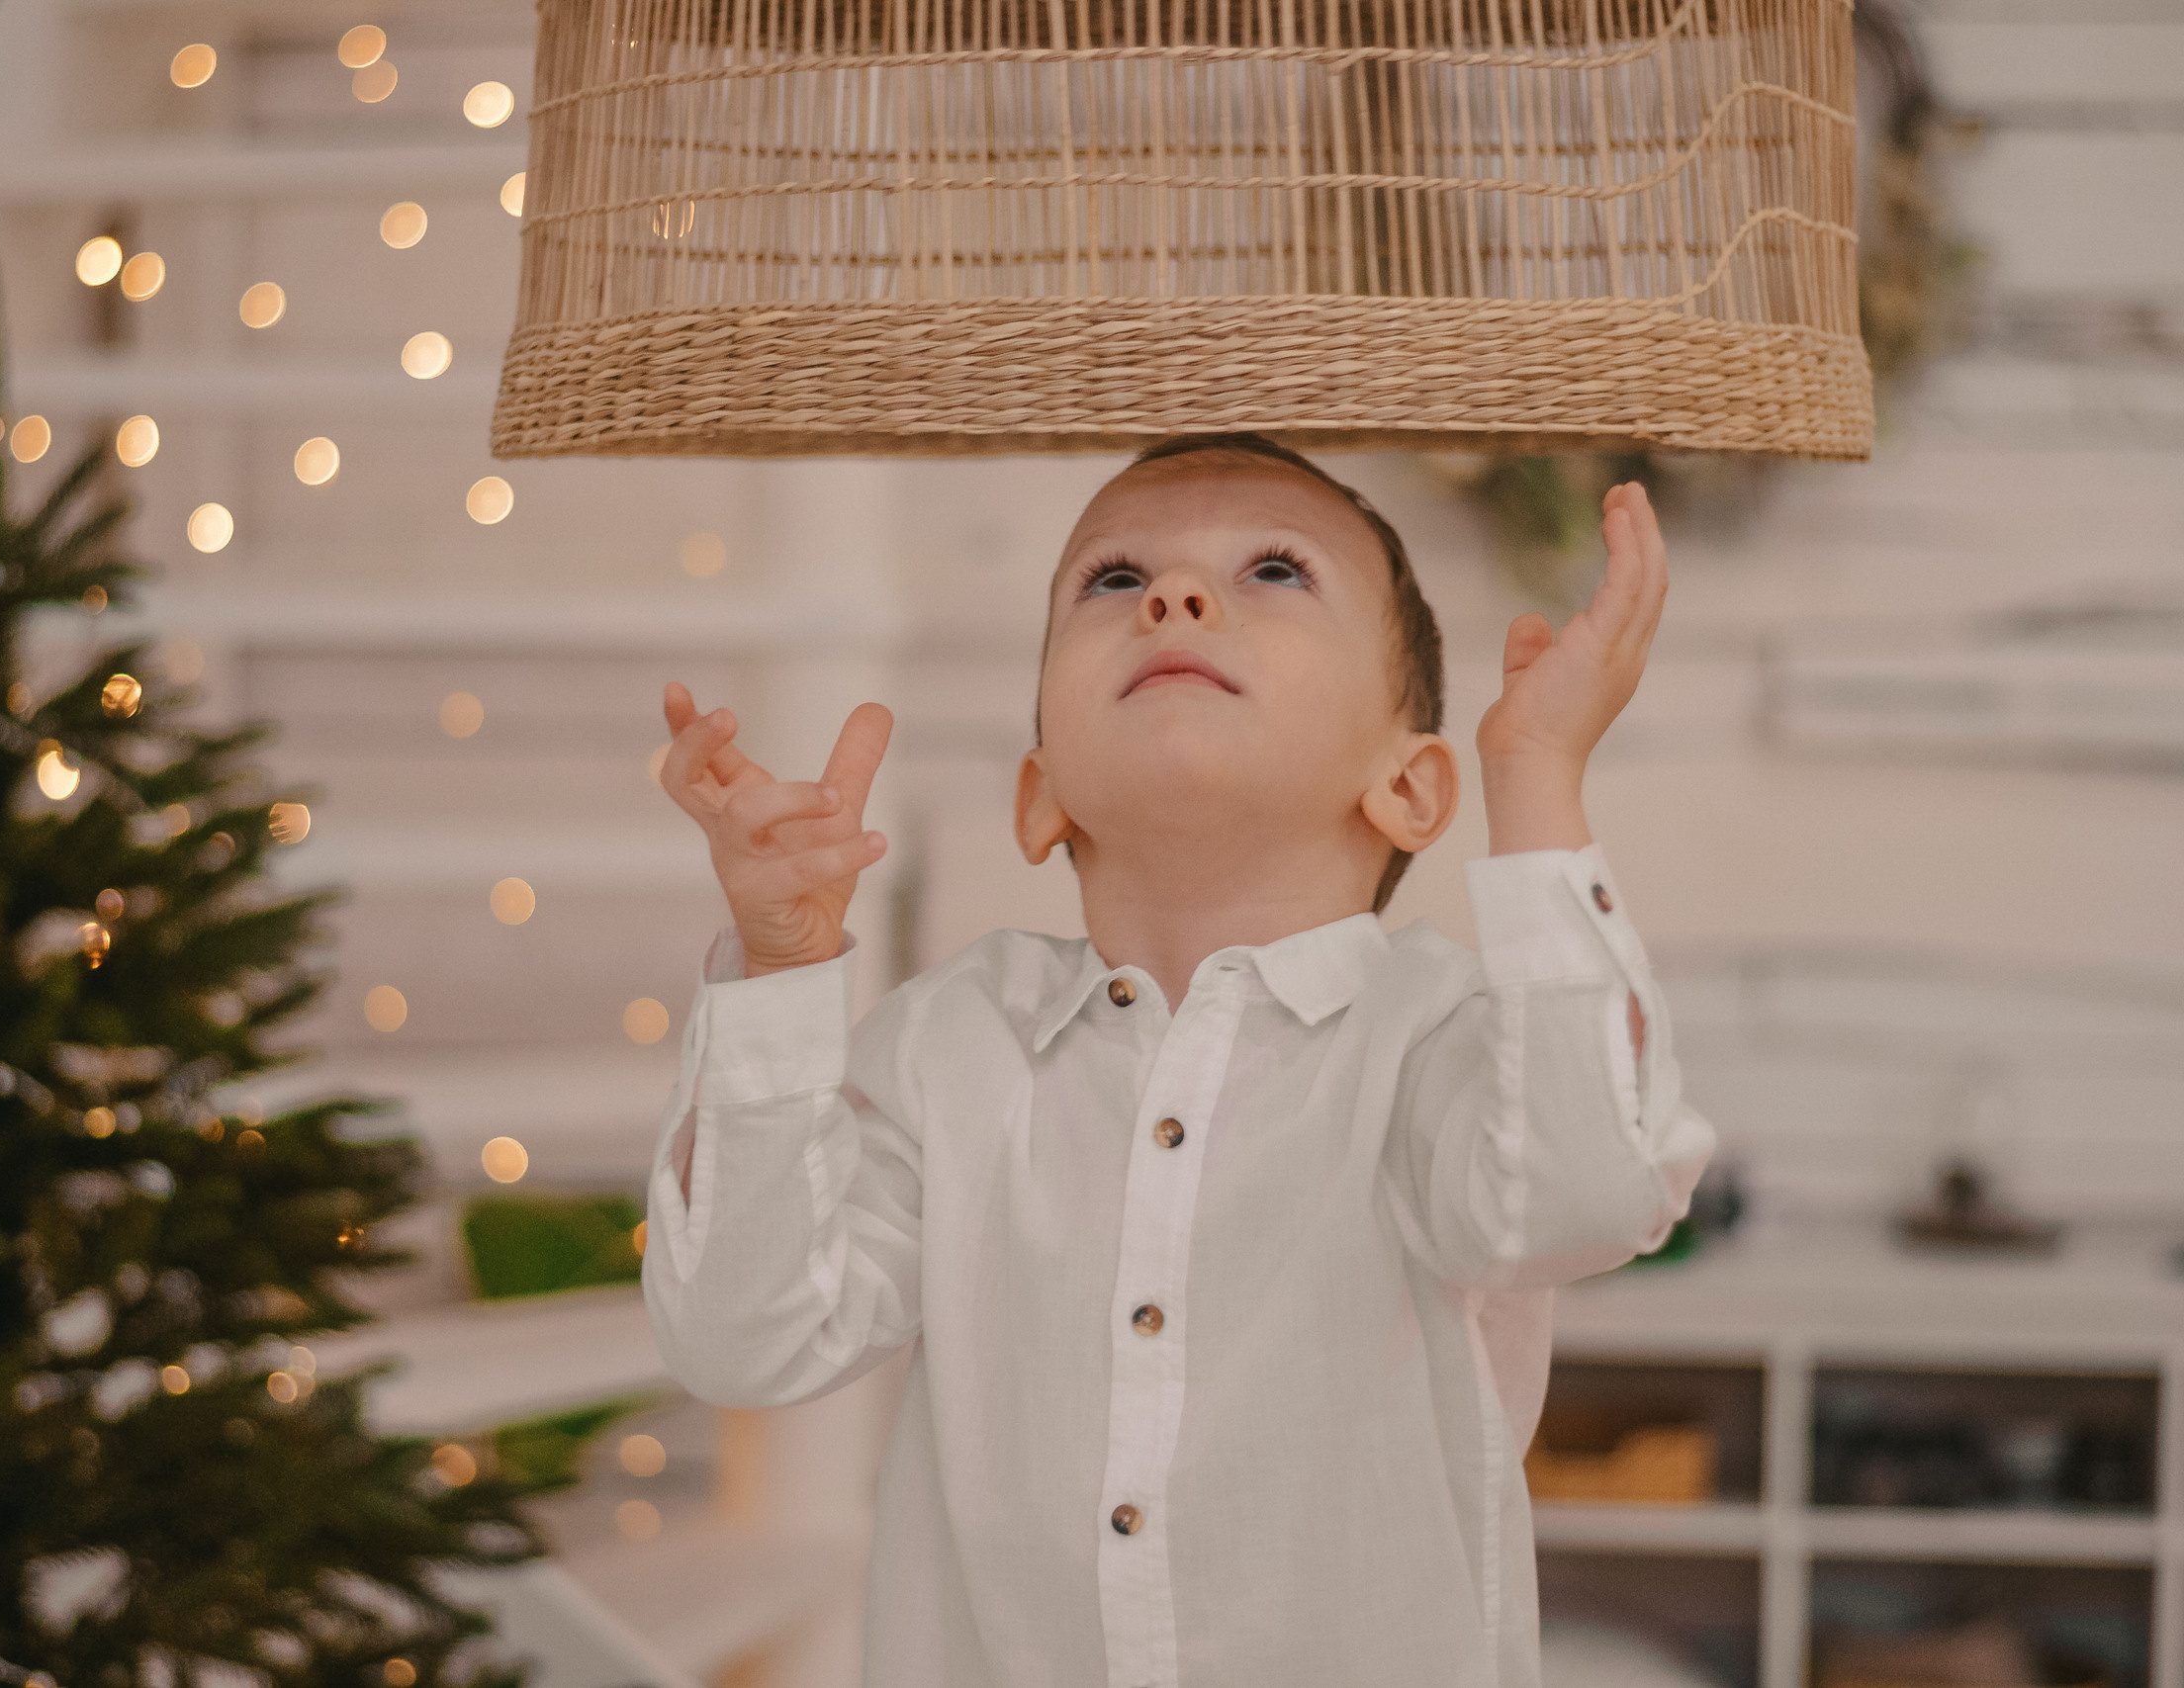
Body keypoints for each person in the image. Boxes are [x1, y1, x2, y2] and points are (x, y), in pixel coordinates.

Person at [641, 433, 1715, 1688]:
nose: (1175, 597)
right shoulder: (952, 1044)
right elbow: (745, 1339)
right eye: (1112, 578)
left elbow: (1582, 1197)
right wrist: (779, 970)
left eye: (1272, 570)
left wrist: (1536, 779)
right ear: (1040, 795)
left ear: (1411, 790)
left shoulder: (1437, 1036)